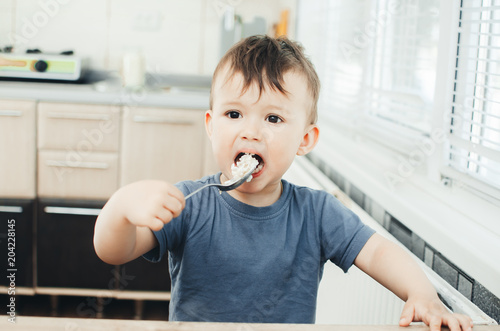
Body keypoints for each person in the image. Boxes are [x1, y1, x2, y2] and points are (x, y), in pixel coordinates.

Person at [94, 35, 472, 330]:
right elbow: (113, 251)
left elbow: (377, 253)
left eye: (273, 119)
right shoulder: (189, 202)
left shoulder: (318, 213)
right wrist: (122, 208)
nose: (251, 132)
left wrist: (422, 293)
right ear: (211, 126)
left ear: (305, 140)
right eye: (234, 113)